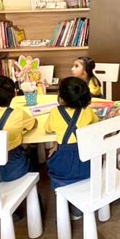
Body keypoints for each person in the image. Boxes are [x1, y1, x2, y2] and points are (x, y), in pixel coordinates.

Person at [45, 76, 100, 219]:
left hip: (64, 165)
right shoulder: (87, 111)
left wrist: (58, 142)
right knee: (80, 174)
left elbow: (47, 128)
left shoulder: (55, 112)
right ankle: (78, 207)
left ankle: (66, 203)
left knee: (53, 164)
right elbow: (95, 123)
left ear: (62, 99)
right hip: (86, 163)